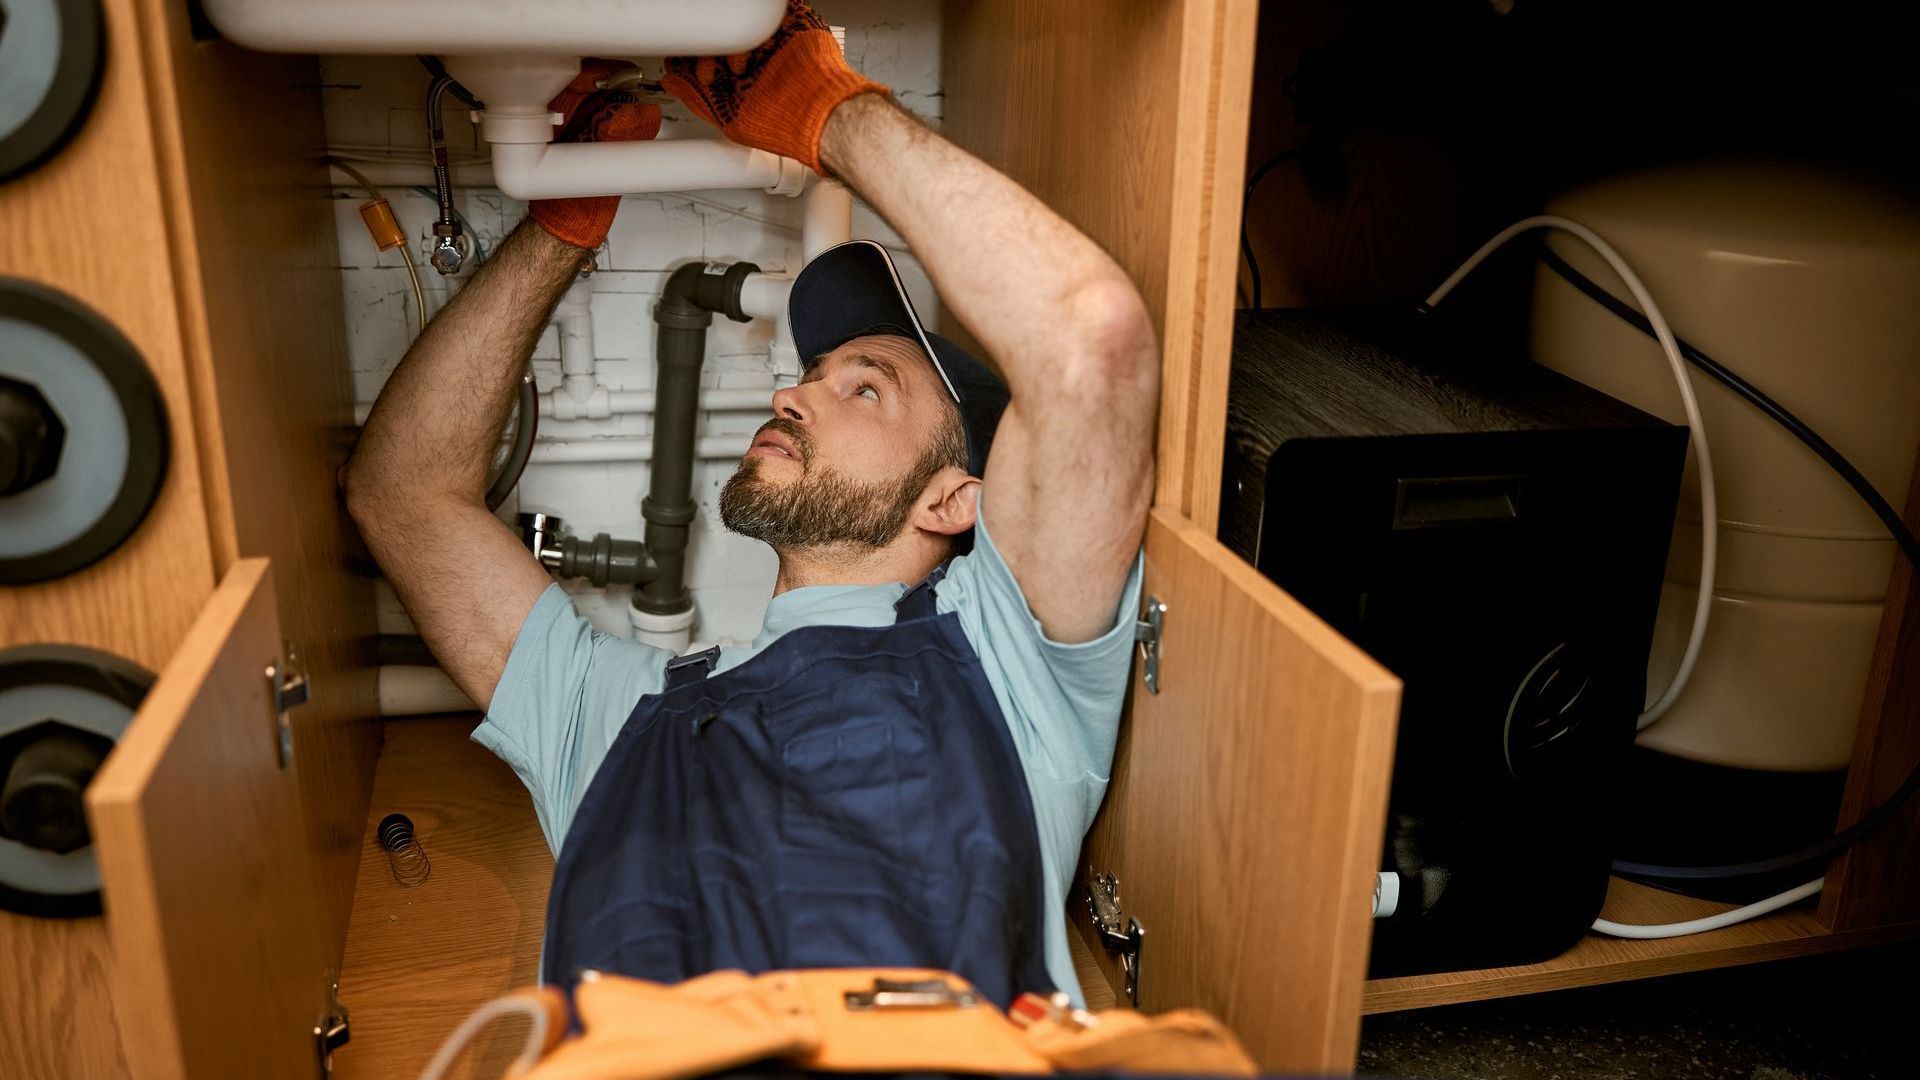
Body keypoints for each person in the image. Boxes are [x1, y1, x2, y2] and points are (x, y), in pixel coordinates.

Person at [343, 1, 1158, 1008]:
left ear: (956, 498)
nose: (792, 391)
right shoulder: (618, 710)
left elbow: (1094, 346)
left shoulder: (1011, 655)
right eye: (815, 372)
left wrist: (824, 110)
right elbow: (402, 497)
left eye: (865, 385)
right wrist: (561, 229)